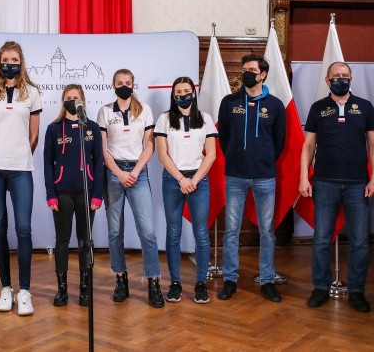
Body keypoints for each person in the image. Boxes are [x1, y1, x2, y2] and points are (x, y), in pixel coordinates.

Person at [300, 61, 374, 313]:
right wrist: (304, 177)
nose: (341, 79)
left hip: (358, 183)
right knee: (322, 239)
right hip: (324, 182)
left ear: (351, 78)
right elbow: (308, 146)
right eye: (336, 76)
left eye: (345, 76)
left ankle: (356, 291)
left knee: (359, 241)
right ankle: (320, 288)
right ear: (327, 80)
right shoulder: (318, 108)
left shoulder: (365, 107)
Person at [0, 41, 42, 316]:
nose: (10, 63)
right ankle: (6, 289)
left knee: (23, 228)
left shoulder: (33, 93)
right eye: (5, 59)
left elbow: (34, 135)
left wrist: (19, 154)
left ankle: (24, 291)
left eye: (14, 59)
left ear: (21, 61)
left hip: (21, 167)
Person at [217, 54, 286, 303]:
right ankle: (230, 280)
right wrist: (236, 158)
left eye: (252, 69)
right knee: (231, 230)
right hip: (235, 175)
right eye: (244, 68)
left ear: (263, 74)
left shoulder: (276, 105)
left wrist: (264, 160)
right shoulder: (229, 102)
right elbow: (223, 137)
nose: (246, 72)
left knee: (267, 230)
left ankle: (267, 280)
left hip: (265, 177)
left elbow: (280, 142)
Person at [97, 68, 164, 308]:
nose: (124, 85)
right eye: (119, 83)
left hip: (138, 173)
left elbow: (149, 145)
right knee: (115, 231)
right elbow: (103, 150)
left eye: (128, 82)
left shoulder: (144, 110)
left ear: (134, 84)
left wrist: (134, 172)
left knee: (147, 232)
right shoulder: (105, 112)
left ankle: (153, 281)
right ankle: (120, 278)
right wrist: (119, 173)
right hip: (114, 174)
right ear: (112, 86)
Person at [154, 77, 217, 304]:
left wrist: (194, 180)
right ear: (173, 95)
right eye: (178, 92)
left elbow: (211, 154)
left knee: (201, 233)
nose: (182, 95)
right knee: (173, 233)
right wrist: (181, 179)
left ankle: (201, 283)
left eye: (186, 91)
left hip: (199, 180)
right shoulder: (164, 119)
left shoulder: (206, 119)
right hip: (173, 179)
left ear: (193, 93)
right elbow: (162, 154)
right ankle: (175, 283)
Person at [43, 84, 104, 307]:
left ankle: (85, 288)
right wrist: (51, 194)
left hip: (87, 193)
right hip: (62, 193)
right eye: (68, 97)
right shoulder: (53, 129)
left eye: (76, 97)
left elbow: (99, 163)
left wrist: (97, 194)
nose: (72, 100)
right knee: (62, 240)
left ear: (83, 100)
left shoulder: (92, 128)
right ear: (63, 101)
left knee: (84, 241)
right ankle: (62, 289)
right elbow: (47, 163)